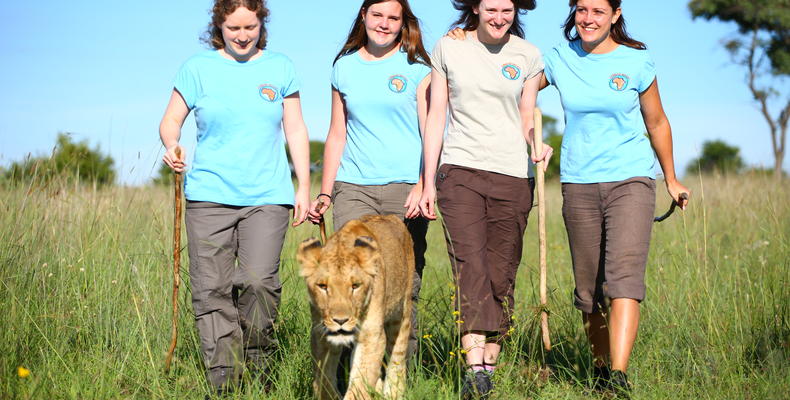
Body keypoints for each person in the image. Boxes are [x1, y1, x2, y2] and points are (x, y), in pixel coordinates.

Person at [159, 0, 310, 395]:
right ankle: (224, 380)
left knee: (259, 282)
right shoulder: (197, 68)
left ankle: (260, 368)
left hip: (268, 196)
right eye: (233, 28)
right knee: (212, 290)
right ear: (219, 27)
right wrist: (173, 146)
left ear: (262, 24)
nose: (243, 35)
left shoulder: (280, 67)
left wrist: (304, 188)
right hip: (208, 196)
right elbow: (170, 121)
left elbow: (294, 128)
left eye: (250, 27)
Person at [541, 0, 690, 396]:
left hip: (631, 179)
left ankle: (618, 378)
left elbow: (656, 121)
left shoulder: (637, 62)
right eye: (582, 10)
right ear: (573, 12)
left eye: (598, 11)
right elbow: (512, 81)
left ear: (616, 15)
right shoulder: (558, 58)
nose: (588, 19)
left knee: (622, 280)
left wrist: (671, 179)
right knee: (589, 289)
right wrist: (467, 33)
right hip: (578, 182)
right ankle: (601, 371)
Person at [418, 1, 552, 398]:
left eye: (506, 10)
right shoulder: (449, 47)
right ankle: (473, 368)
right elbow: (436, 114)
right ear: (475, 8)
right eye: (490, 8)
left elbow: (527, 114)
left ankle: (488, 369)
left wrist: (536, 144)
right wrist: (428, 181)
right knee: (470, 267)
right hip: (460, 171)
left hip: (513, 176)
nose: (498, 17)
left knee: (501, 273)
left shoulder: (528, 55)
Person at [306, 0, 431, 366]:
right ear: (364, 16)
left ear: (402, 23)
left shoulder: (418, 69)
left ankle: (399, 373)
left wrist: (424, 184)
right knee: (349, 275)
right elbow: (337, 133)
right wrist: (326, 191)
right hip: (354, 186)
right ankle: (350, 375)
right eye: (377, 15)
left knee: (404, 284)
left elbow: (430, 132)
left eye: (393, 18)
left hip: (404, 188)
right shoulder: (343, 68)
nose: (384, 23)